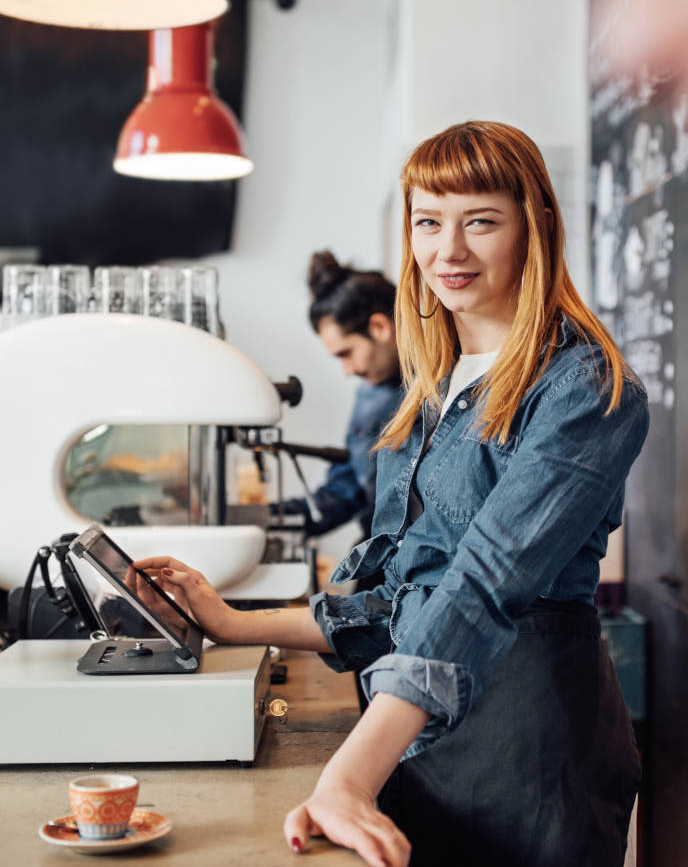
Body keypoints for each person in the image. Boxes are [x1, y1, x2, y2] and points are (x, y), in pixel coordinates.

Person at [135, 121, 649, 867]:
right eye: (428, 223)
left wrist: (348, 775)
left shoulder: (585, 387)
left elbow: (480, 587)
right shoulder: (432, 384)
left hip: (524, 751)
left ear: (535, 224)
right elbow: (402, 593)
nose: (450, 251)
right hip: (412, 740)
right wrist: (229, 622)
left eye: (480, 221)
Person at [276, 250, 403, 542]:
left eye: (346, 353)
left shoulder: (447, 389)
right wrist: (267, 517)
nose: (347, 370)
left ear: (380, 327)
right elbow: (346, 492)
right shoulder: (372, 392)